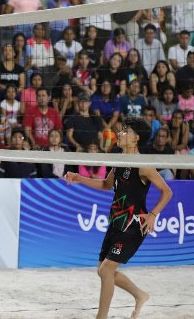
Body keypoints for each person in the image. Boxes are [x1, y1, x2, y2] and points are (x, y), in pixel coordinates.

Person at [64, 117, 172, 319]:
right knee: (103, 271)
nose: (120, 133)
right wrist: (79, 178)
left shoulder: (144, 166)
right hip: (116, 222)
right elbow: (106, 185)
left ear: (136, 138)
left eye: (125, 131)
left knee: (106, 271)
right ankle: (140, 295)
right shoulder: (120, 160)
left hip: (133, 226)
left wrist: (153, 215)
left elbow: (167, 192)